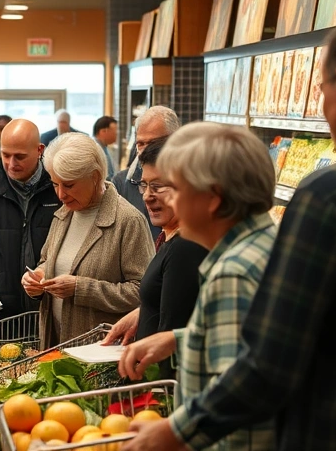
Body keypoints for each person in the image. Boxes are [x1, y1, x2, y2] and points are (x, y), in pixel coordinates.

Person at [122, 7, 336, 451]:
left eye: (321, 88)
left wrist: (177, 430)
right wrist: (183, 338)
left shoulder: (335, 194)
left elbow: (274, 358)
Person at [114, 123, 277, 451]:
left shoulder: (233, 272)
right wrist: (176, 338)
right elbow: (257, 346)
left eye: (174, 188)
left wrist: (173, 433)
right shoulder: (264, 245)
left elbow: (240, 391)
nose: (164, 198)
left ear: (213, 199)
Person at [21, 133, 152, 346]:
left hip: (100, 353)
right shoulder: (64, 214)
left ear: (95, 176)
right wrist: (38, 277)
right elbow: (47, 260)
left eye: (69, 185)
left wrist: (81, 289)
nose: (61, 194)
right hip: (56, 345)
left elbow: (142, 292)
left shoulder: (128, 221)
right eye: (55, 184)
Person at [102, 138, 208, 379]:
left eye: (158, 186)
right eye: (145, 185)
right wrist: (144, 312)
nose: (147, 196)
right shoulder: (171, 239)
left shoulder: (185, 249)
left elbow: (172, 338)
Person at [0, 119, 61, 318]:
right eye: (5, 155)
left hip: (51, 304)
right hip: (4, 309)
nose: (11, 163)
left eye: (19, 157)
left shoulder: (58, 191)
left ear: (39, 150)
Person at [112, 105, 180, 240]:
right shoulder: (122, 182)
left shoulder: (187, 180)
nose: (144, 151)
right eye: (140, 144)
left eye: (153, 143)